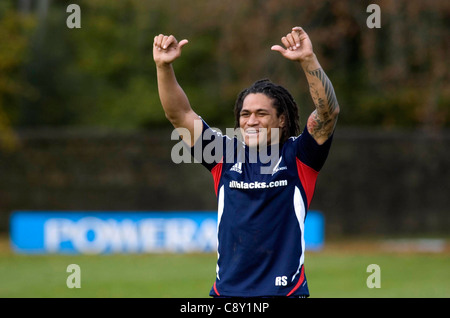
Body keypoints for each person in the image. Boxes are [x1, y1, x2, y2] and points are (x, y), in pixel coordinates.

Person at [153, 27, 339, 297]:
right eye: (245, 114)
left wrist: (308, 60)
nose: (251, 121)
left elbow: (328, 111)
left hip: (285, 293)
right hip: (226, 294)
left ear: (282, 119)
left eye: (261, 113)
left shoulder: (300, 156)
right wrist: (163, 68)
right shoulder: (223, 155)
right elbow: (179, 115)